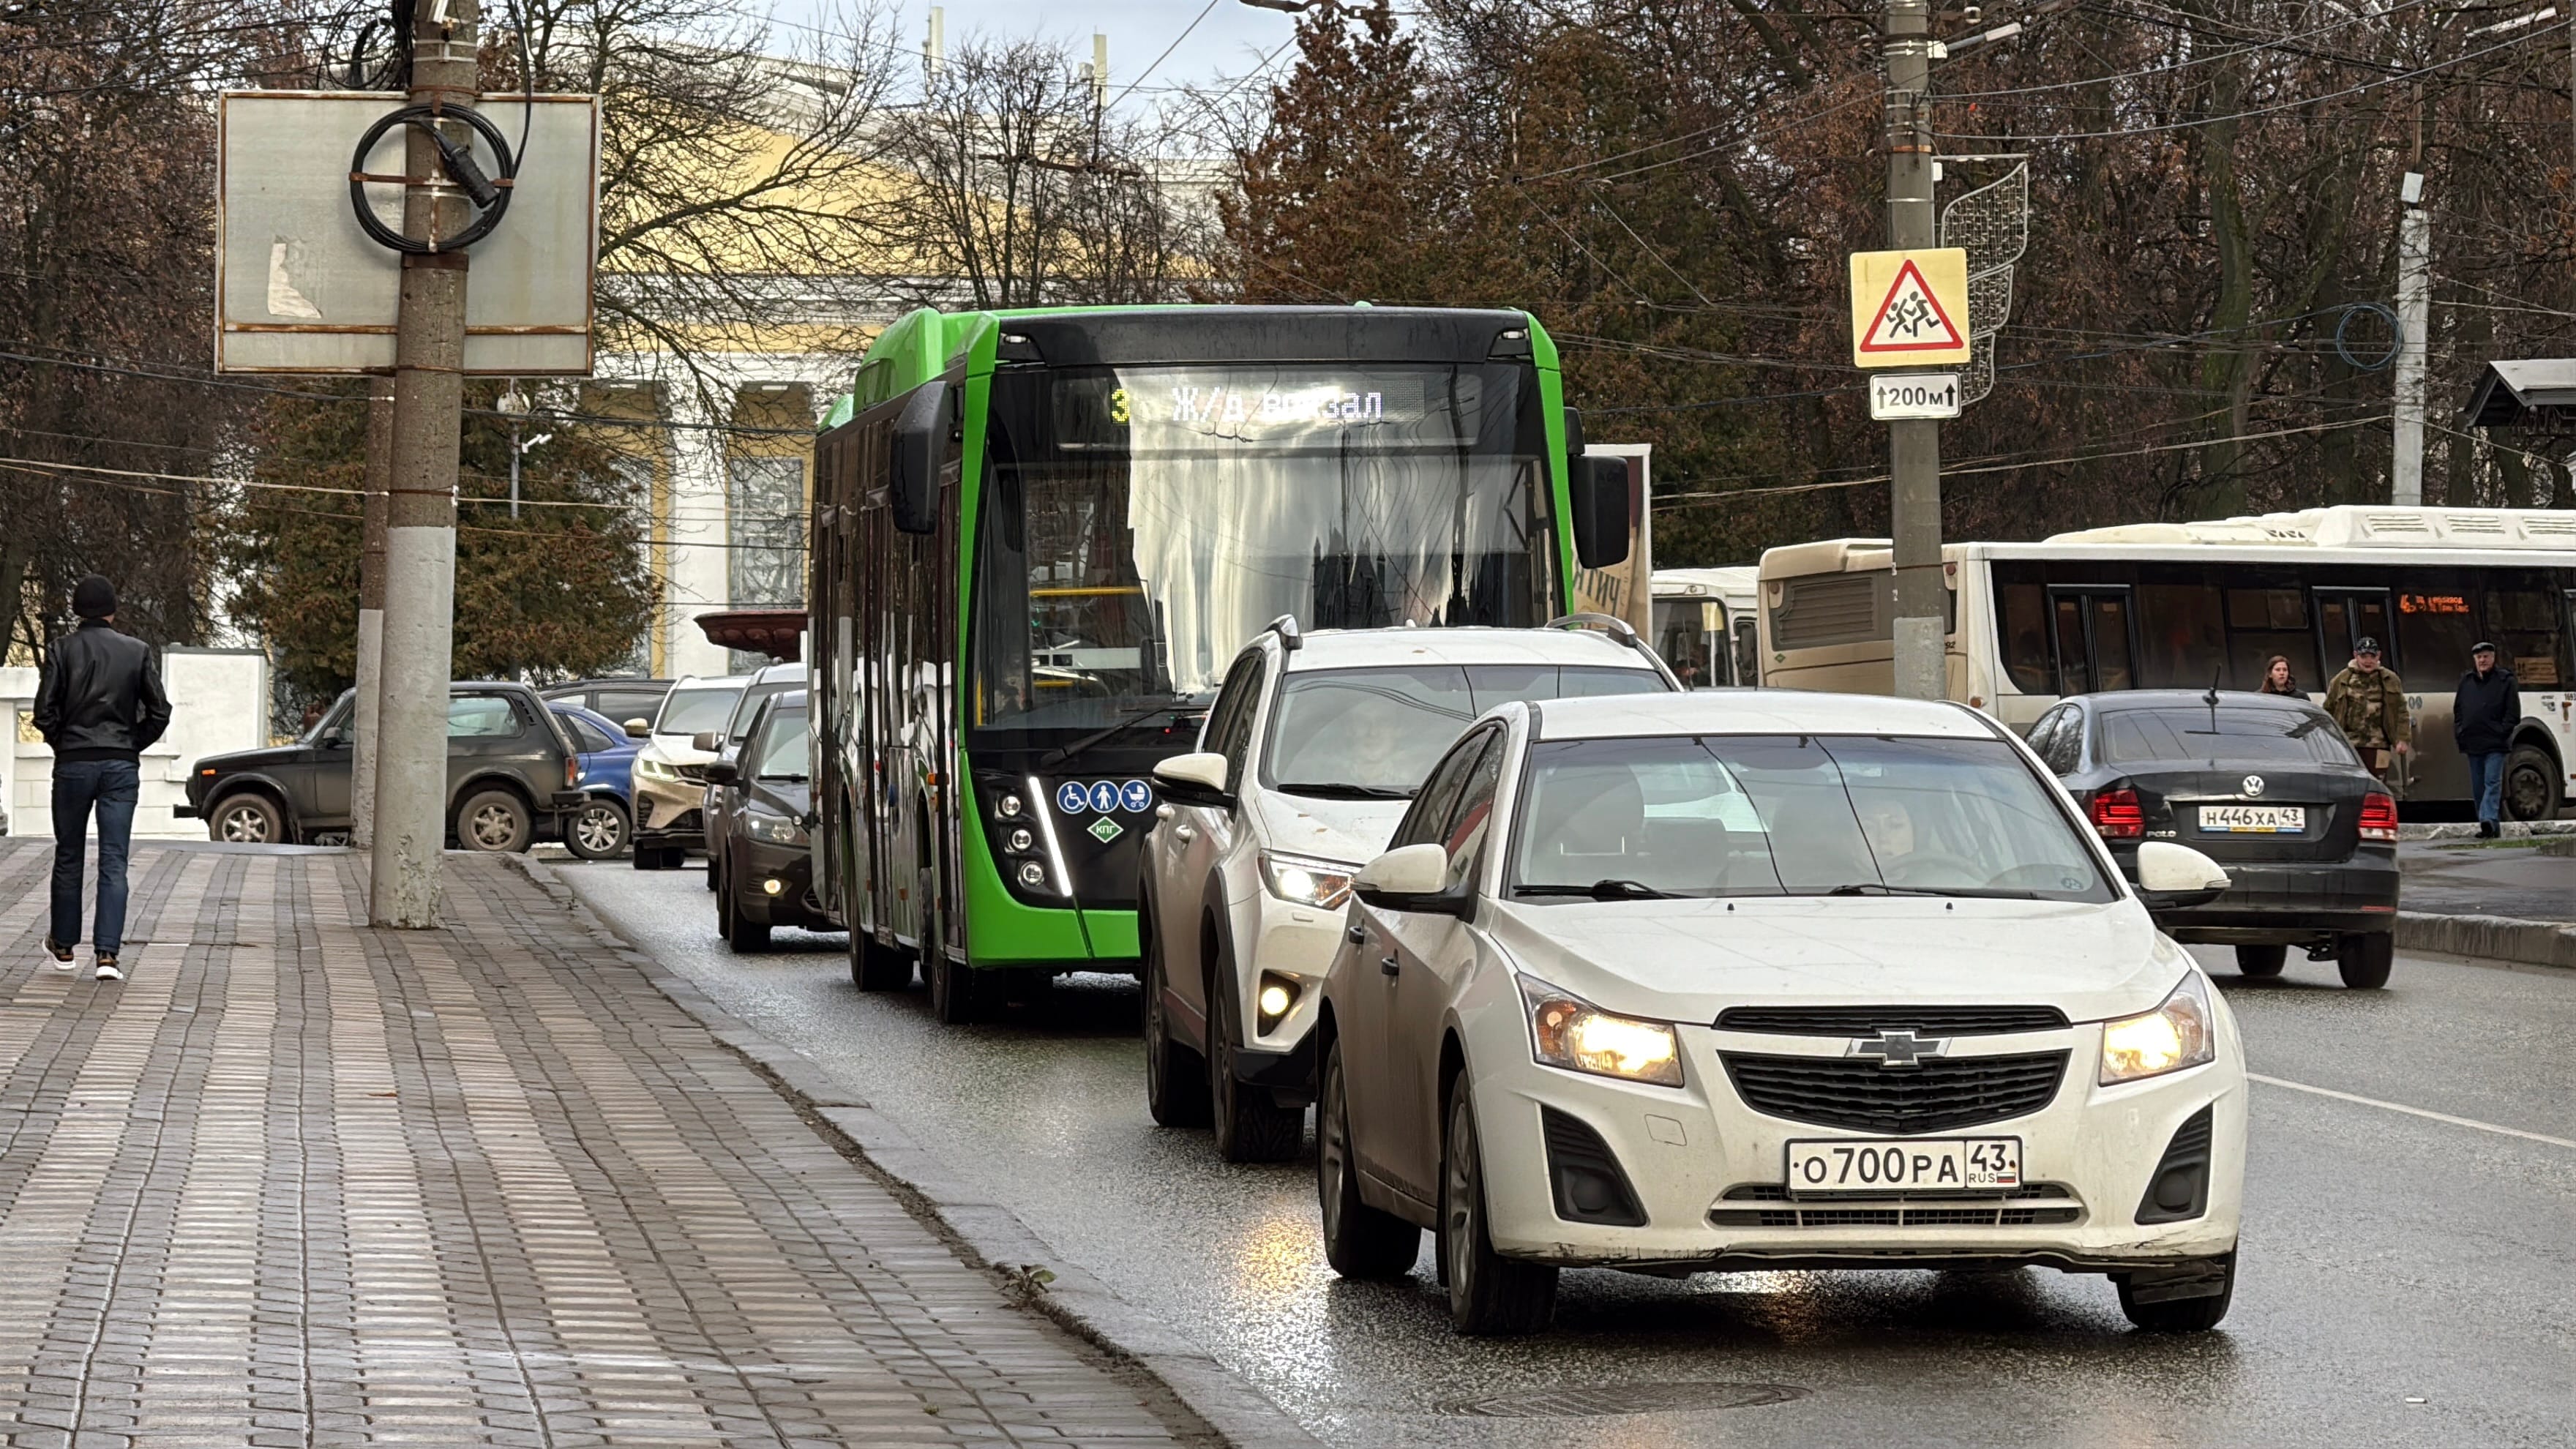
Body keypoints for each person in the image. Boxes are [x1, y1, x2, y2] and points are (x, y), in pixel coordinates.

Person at [31, 575, 171, 982]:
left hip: (73, 764)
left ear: (77, 609)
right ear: (113, 609)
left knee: (69, 854)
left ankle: (63, 946)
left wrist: (64, 744)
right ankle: (107, 956)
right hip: (120, 766)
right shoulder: (137, 651)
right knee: (114, 858)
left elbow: (44, 712)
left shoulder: (60, 649)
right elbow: (159, 712)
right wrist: (130, 744)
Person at [2452, 641, 2520, 837]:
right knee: (2478, 786)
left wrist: (2501, 731)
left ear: (2493, 658)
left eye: (2486, 656)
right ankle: (2490, 826)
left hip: (2495, 743)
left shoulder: (2506, 680)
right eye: (2479, 657)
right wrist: (2461, 731)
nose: (2482, 660)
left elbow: (2513, 713)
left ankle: (2488, 819)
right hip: (2473, 741)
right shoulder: (2466, 681)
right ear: (2474, 659)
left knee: (2492, 782)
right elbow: (2458, 710)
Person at [2324, 637, 2411, 788]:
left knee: (2377, 786)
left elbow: (2401, 711)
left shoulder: (2390, 679)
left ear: (2379, 656)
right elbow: (2328, 710)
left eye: (2372, 656)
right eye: (2364, 656)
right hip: (2349, 745)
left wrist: (2402, 739)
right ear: (2356, 656)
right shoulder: (2341, 680)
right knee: (2350, 786)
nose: (2368, 661)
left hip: (2379, 744)